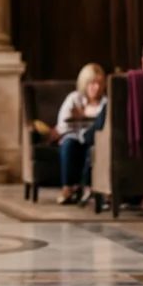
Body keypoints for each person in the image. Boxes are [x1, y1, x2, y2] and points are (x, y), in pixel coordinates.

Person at [55, 63, 108, 204]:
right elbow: (62, 125)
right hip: (74, 137)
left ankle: (88, 188)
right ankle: (68, 188)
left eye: (99, 83)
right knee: (69, 144)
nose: (95, 87)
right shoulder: (74, 99)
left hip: (95, 140)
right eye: (91, 83)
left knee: (92, 150)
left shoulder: (105, 103)